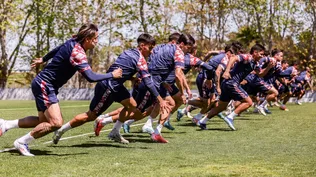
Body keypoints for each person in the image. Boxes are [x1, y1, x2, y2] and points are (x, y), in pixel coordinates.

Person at [0, 23, 122, 156]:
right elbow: (91, 77)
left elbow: (58, 48)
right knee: (56, 122)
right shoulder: (78, 53)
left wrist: (43, 59)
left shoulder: (73, 41)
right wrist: (112, 75)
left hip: (43, 83)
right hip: (45, 85)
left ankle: (6, 124)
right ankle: (22, 142)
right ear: (87, 39)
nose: (97, 41)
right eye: (95, 38)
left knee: (43, 121)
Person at [52, 33, 169, 144]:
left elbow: (118, 70)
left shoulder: (128, 52)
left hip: (116, 86)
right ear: (142, 46)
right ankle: (61, 130)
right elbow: (148, 82)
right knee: (90, 116)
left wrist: (131, 78)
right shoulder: (140, 60)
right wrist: (160, 99)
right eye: (150, 48)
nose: (152, 51)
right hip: (108, 87)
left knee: (132, 105)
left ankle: (114, 132)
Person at [197, 44, 267, 130]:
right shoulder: (247, 57)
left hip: (227, 84)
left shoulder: (256, 64)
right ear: (255, 52)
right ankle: (230, 117)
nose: (262, 56)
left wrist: (269, 66)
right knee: (249, 102)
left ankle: (202, 121)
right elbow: (233, 58)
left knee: (221, 107)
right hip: (231, 83)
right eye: (261, 54)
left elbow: (260, 74)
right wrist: (226, 71)